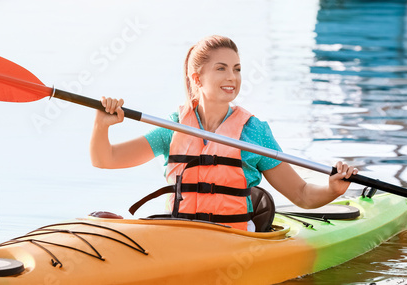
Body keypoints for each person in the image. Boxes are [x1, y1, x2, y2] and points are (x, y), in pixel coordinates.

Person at [90, 35, 358, 231]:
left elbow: (302, 194)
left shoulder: (254, 132)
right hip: (178, 236)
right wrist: (102, 125)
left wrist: (333, 189)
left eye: (237, 69)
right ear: (197, 79)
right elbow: (106, 159)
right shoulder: (173, 128)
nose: (232, 77)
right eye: (221, 68)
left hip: (236, 241)